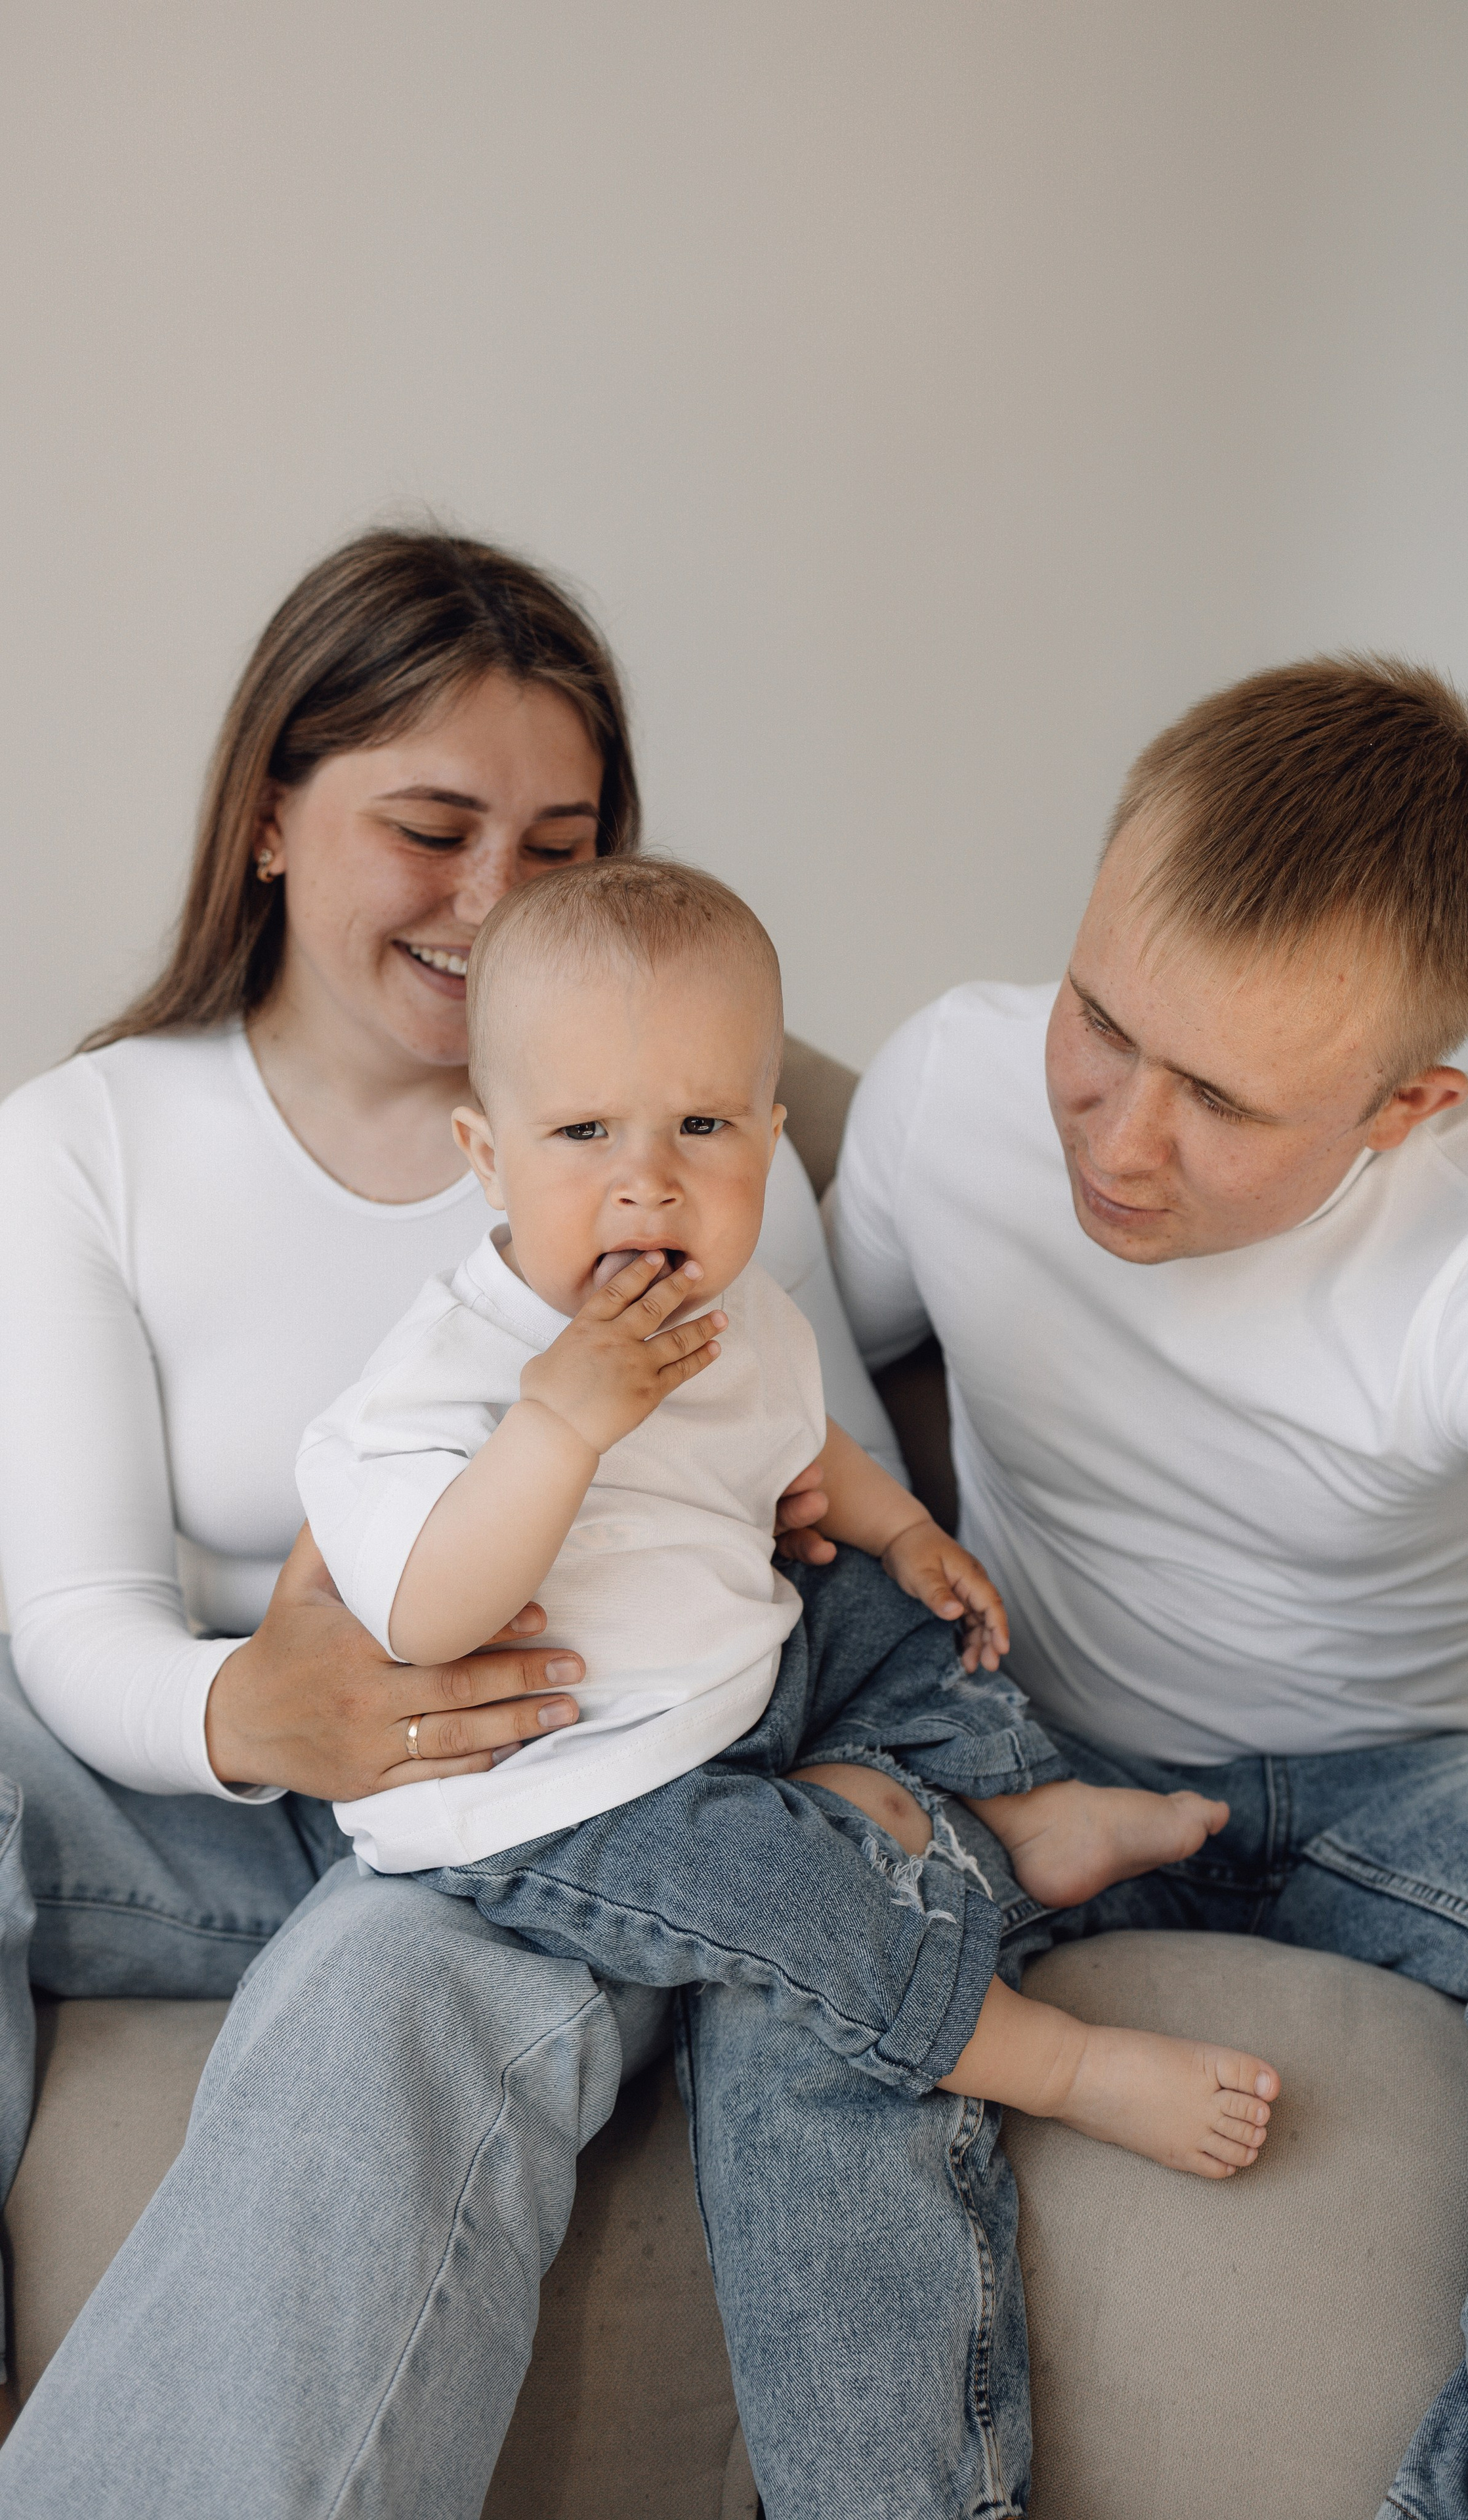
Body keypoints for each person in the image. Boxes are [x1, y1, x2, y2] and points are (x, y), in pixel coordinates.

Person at [0, 529, 1011, 2520]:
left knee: (386, 1988)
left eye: (559, 845)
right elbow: (75, 1612)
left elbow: (797, 1473)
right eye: (431, 829)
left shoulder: (683, 1139)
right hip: (235, 1777)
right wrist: (252, 1715)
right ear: (270, 815)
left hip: (557, 1789)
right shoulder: (85, 1145)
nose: (495, 903)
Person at [828, 655, 1468, 2520]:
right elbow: (799, 1408)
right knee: (787, 1898)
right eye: (1102, 1021)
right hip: (1016, 1763)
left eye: (1221, 1099)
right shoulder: (946, 1088)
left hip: (1401, 1785)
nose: (1117, 1138)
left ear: (1404, 1104)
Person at [297, 855, 1274, 2176]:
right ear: (487, 1156)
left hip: (735, 1684)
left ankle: (1019, 1805)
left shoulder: (733, 1306)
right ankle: (1057, 2062)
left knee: (883, 1601)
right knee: (796, 1892)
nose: (647, 1183)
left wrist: (904, 1531)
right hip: (572, 1792)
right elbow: (426, 1620)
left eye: (700, 1128)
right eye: (582, 1135)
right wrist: (559, 1427)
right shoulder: (434, 1382)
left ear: (767, 1142)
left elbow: (797, 1435)